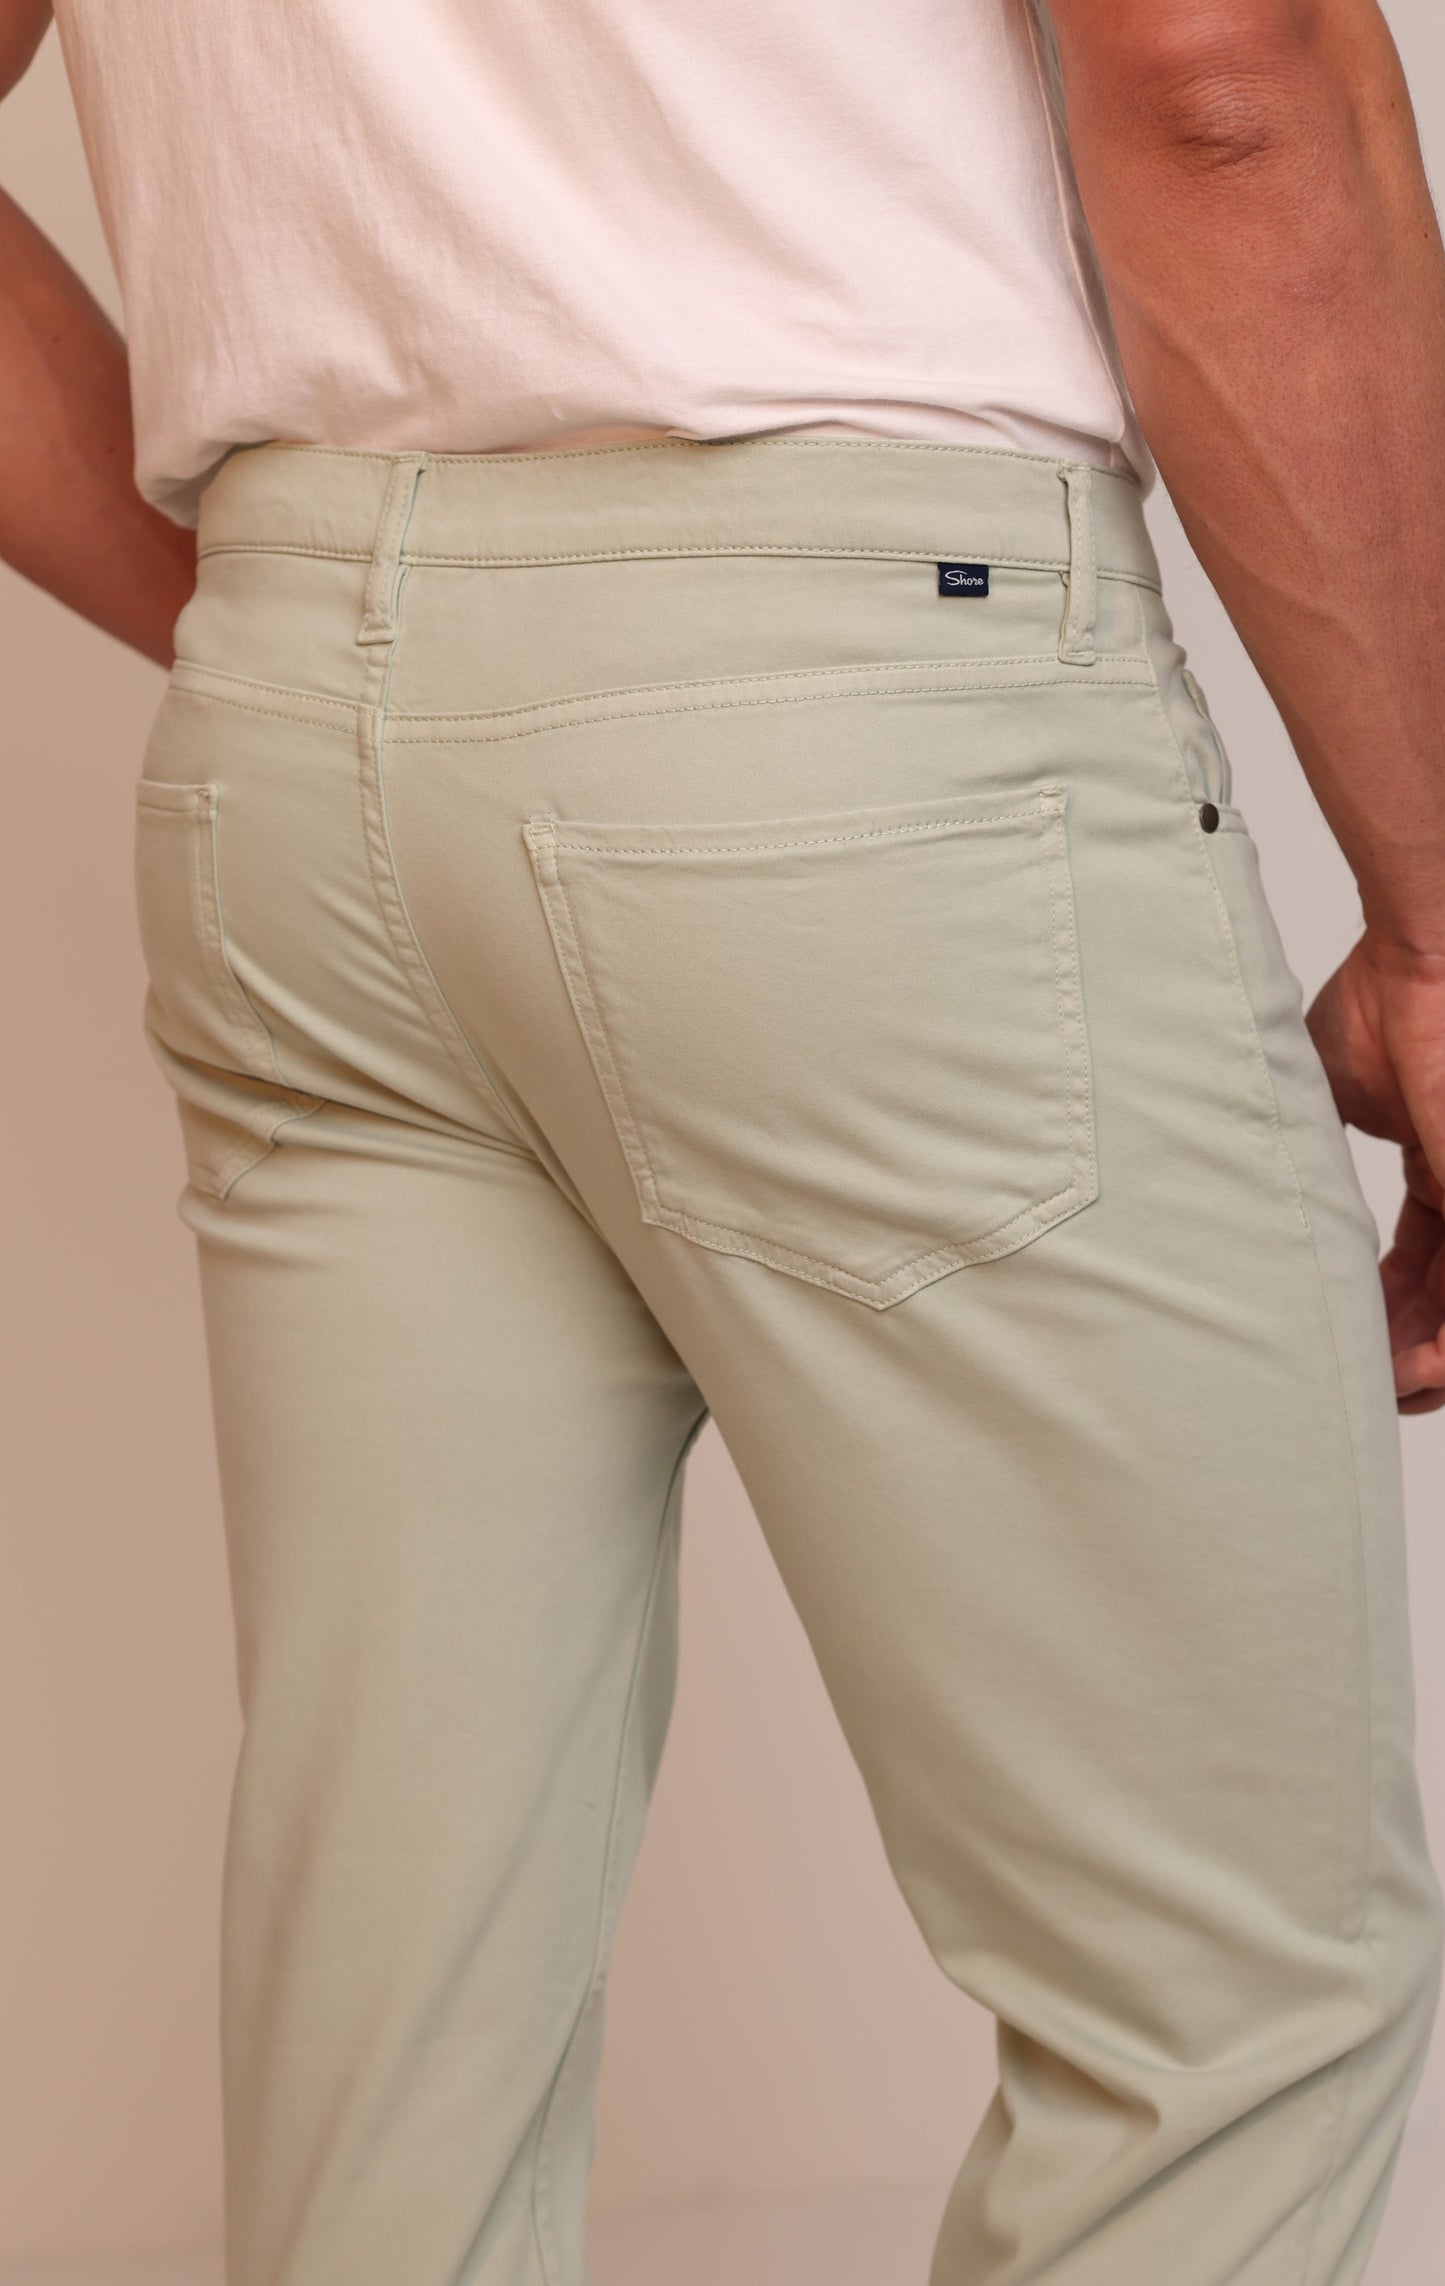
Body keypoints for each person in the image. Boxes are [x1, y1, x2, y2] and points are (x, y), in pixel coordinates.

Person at [3, 0, 1443, 2279]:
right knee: (1229, 2012)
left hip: (302, 765)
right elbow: (1218, 69)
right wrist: (1436, 917)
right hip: (862, 738)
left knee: (405, 2051)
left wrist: (323, 638)